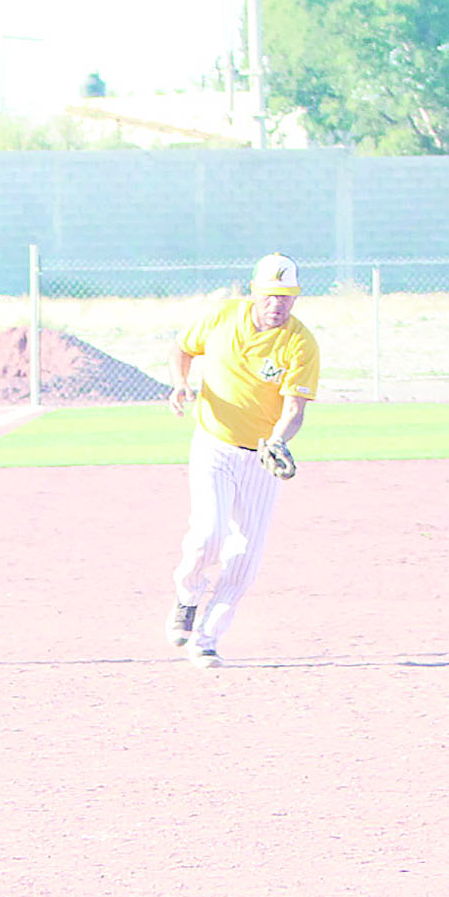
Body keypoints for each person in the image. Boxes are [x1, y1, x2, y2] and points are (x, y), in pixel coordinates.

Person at [165, 252, 321, 668]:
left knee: (246, 557)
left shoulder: (300, 342)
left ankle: (208, 637)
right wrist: (180, 383)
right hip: (214, 444)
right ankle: (187, 596)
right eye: (271, 295)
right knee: (209, 534)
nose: (278, 304)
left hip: (261, 458)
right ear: (254, 293)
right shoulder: (222, 318)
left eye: (287, 296)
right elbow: (182, 347)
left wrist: (278, 441)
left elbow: (295, 409)